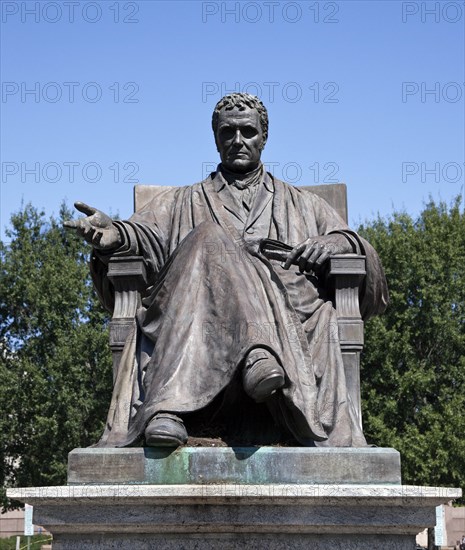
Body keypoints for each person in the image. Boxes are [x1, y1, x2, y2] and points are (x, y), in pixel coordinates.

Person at [65, 93, 388, 448]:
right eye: (227, 132)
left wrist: (341, 242)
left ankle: (169, 408)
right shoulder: (182, 200)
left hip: (289, 315)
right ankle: (253, 357)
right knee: (207, 237)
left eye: (247, 131)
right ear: (215, 138)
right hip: (205, 324)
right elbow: (145, 235)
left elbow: (364, 256)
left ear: (264, 137)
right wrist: (114, 234)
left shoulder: (305, 204)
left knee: (210, 240)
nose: (237, 141)